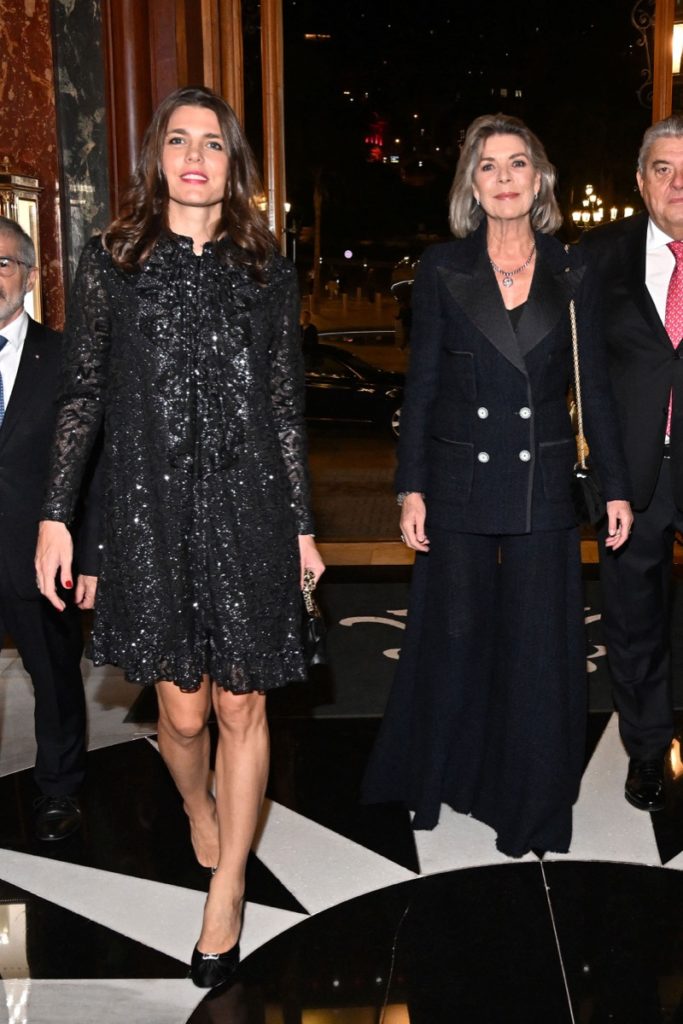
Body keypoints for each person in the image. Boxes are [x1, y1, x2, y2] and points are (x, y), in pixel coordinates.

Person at [34, 86, 324, 986]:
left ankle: (227, 887)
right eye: (178, 140)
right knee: (185, 715)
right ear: (155, 158)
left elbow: (284, 409)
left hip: (251, 514)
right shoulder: (114, 263)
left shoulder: (266, 271)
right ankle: (197, 804)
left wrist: (303, 527)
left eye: (213, 143)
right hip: (149, 515)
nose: (195, 157)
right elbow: (83, 395)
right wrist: (57, 515)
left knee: (242, 706)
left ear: (234, 166)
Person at [361, 113, 632, 857]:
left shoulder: (573, 269)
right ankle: (445, 775)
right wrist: (410, 486)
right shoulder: (441, 268)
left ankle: (531, 803)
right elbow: (421, 387)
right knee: (453, 636)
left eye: (517, 164)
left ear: (539, 180)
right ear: (471, 185)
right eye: (489, 165)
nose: (505, 177)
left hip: (544, 481)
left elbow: (594, 390)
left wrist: (612, 486)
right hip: (458, 480)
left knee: (540, 647)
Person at [580, 114, 683, 812]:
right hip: (630, 479)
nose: (676, 184)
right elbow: (581, 371)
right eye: (661, 169)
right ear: (640, 181)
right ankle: (646, 749)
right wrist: (604, 475)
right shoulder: (597, 256)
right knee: (632, 619)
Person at [0, 216, 100, 841]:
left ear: (30, 277)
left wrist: (90, 557)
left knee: (55, 677)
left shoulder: (66, 359)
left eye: (2, 263)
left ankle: (59, 789)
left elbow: (94, 470)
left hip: (39, 554)